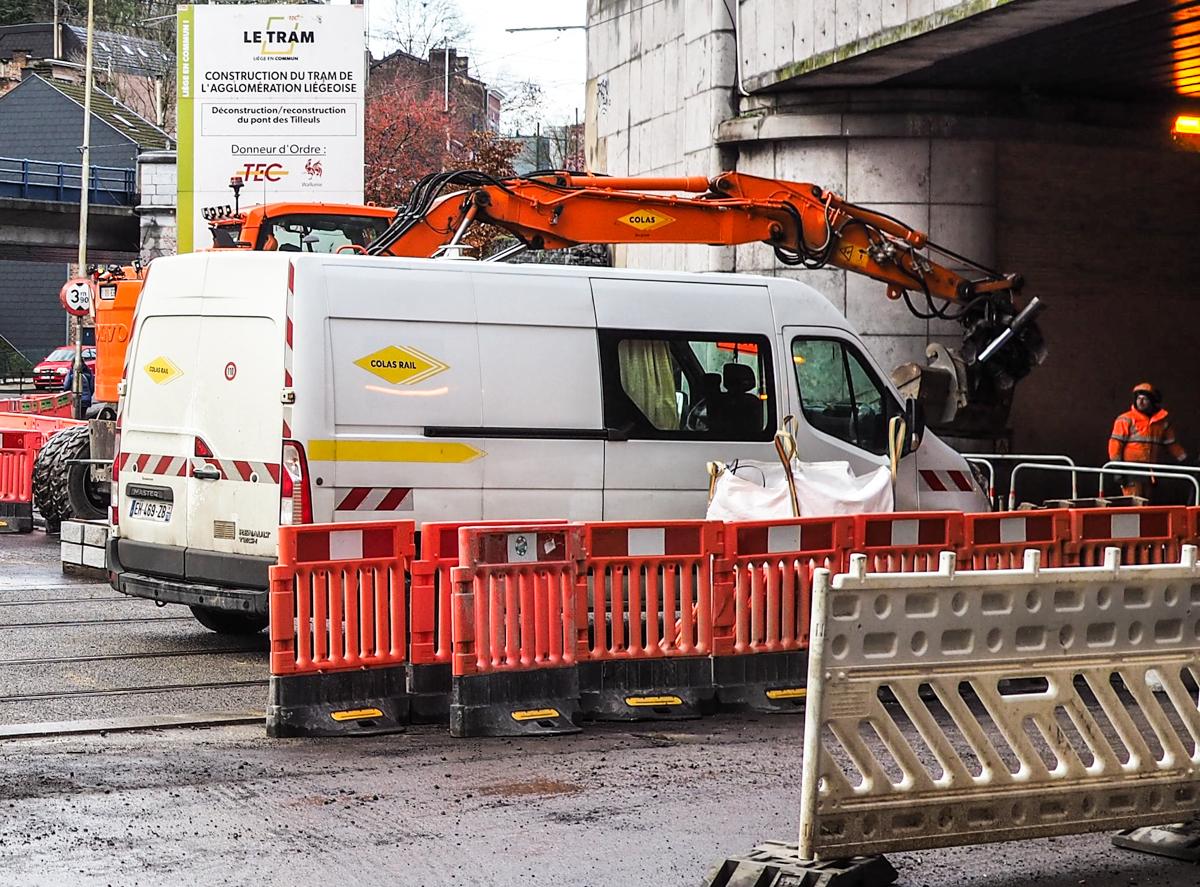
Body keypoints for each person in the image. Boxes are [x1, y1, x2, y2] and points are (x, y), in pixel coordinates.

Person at [1108, 382, 1187, 500]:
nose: (1140, 402)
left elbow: (1171, 444)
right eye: (1138, 398)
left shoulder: (1161, 423)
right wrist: (1118, 470)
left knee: (1147, 505)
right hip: (1130, 471)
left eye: (1144, 399)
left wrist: (1186, 460)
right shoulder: (1126, 419)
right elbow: (1115, 445)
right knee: (1134, 505)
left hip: (1150, 472)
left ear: (1153, 401)